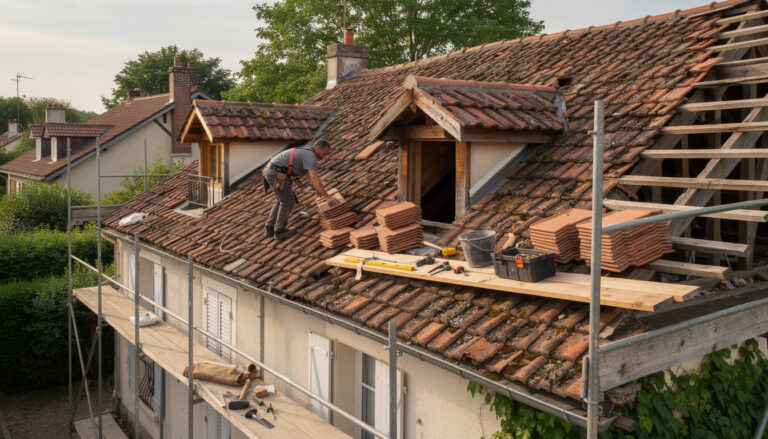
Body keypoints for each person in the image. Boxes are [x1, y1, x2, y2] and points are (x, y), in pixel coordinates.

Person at [262, 139, 333, 240]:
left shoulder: (305, 152)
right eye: (324, 153)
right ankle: (279, 231)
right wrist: (327, 197)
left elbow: (308, 175)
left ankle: (269, 228)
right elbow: (314, 178)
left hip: (272, 171)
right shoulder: (311, 156)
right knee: (288, 201)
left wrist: (316, 188)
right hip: (278, 173)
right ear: (317, 149)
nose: (324, 156)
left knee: (281, 200)